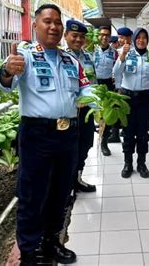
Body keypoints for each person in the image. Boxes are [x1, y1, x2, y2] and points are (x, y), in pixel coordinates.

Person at [0, 4, 93, 265]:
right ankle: (28, 252)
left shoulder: (70, 59)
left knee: (61, 191)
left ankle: (51, 242)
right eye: (47, 21)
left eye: (57, 22)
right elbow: (5, 84)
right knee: (32, 194)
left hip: (68, 134)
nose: (54, 27)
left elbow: (85, 90)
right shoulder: (24, 56)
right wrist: (7, 70)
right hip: (37, 134)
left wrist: (100, 99)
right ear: (35, 25)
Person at [113, 27, 149, 178]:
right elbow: (116, 72)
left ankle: (141, 164)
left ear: (147, 40)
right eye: (138, 37)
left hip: (145, 99)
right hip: (127, 98)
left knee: (143, 133)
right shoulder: (127, 53)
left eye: (144, 37)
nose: (141, 40)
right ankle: (127, 163)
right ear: (134, 39)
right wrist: (122, 55)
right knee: (128, 133)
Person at [64, 19, 97, 193]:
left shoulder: (87, 57)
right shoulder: (61, 57)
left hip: (87, 111)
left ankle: (77, 179)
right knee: (69, 149)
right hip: (69, 113)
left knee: (84, 145)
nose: (78, 39)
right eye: (74, 35)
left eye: (82, 36)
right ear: (66, 35)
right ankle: (66, 187)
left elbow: (93, 82)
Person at [94, 25, 118, 156]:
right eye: (102, 34)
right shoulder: (91, 51)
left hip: (109, 85)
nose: (104, 37)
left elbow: (118, 71)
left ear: (109, 38)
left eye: (107, 35)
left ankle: (104, 143)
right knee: (95, 113)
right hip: (95, 85)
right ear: (98, 36)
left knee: (107, 115)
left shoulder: (114, 53)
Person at [108, 26, 133, 143]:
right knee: (117, 110)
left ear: (129, 38)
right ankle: (116, 134)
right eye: (119, 38)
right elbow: (115, 70)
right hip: (117, 85)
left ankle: (118, 133)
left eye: (122, 38)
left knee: (121, 111)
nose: (120, 40)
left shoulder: (132, 52)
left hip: (123, 87)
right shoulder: (119, 51)